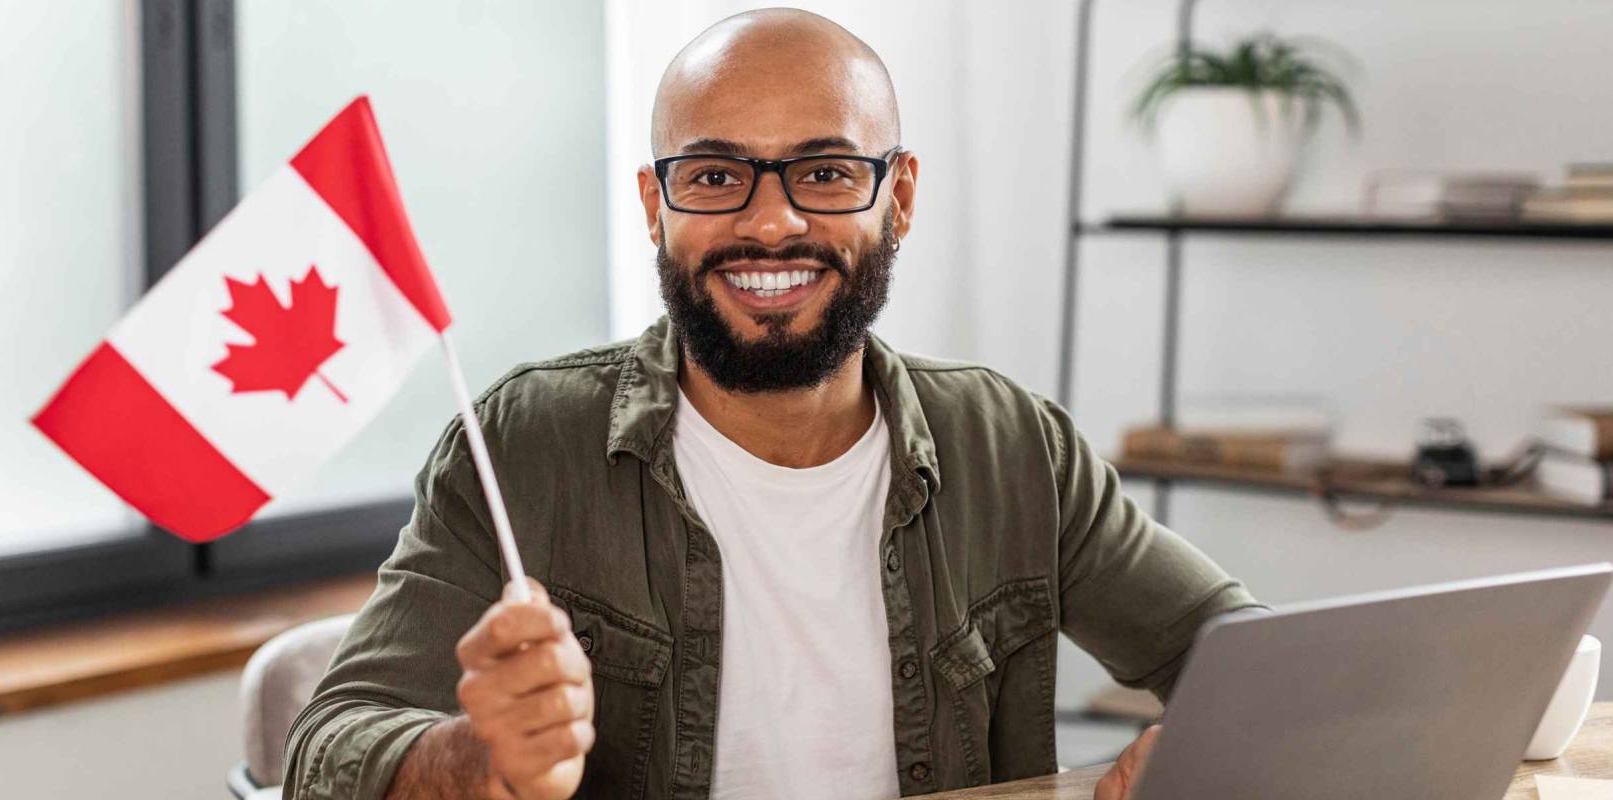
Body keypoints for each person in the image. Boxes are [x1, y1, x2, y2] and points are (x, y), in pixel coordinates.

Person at [284, 8, 1263, 800]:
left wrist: (1194, 750)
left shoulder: (1015, 448)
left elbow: (1258, 664)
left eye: (826, 172)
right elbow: (324, 750)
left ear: (902, 195)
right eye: (714, 176)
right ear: (652, 203)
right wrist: (479, 759)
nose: (771, 221)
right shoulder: (521, 446)